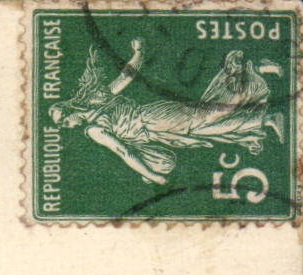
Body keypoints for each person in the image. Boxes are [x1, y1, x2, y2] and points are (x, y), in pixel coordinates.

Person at [50, 40, 285, 185]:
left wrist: (139, 53)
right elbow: (129, 148)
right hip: (156, 133)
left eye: (63, 120)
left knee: (210, 116)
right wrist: (151, 172)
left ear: (70, 109)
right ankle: (266, 119)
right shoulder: (94, 119)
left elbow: (123, 150)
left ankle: (251, 71)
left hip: (153, 118)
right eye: (62, 125)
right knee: (207, 128)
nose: (66, 125)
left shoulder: (95, 123)